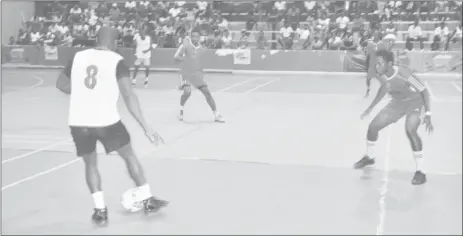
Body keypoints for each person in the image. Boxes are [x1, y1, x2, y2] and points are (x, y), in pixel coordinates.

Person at [55, 27, 168, 227]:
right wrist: (145, 126)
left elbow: (61, 85)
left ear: (96, 39)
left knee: (90, 164)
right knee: (129, 155)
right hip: (107, 121)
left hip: (79, 121)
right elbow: (128, 94)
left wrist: (83, 92)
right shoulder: (116, 60)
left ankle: (100, 212)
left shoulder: (77, 57)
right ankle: (147, 199)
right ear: (114, 42)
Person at [354, 50, 434, 185]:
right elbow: (384, 89)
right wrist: (371, 107)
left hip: (415, 102)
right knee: (373, 127)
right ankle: (370, 157)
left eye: (379, 64)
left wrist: (428, 113)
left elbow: (424, 91)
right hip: (397, 103)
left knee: (410, 129)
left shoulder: (404, 73)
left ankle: (421, 171)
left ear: (389, 64)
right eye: (375, 64)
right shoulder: (383, 76)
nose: (376, 67)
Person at [174, 29, 225, 123]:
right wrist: (185, 59)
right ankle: (180, 110)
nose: (194, 38)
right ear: (190, 37)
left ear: (199, 38)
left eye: (196, 37)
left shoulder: (202, 50)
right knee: (187, 92)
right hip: (186, 73)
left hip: (196, 75)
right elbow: (176, 57)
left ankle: (216, 114)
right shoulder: (185, 46)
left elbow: (201, 62)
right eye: (192, 36)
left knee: (207, 93)